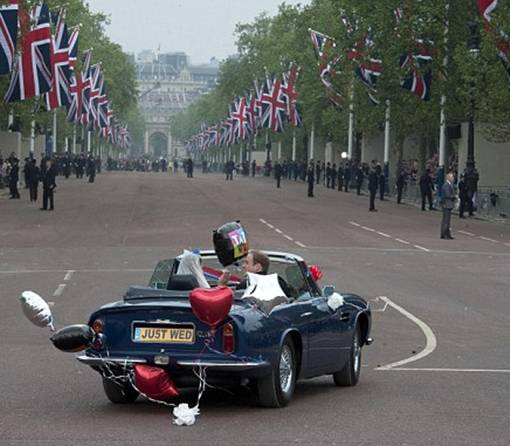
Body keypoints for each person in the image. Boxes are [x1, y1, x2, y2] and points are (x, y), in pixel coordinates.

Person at [440, 172, 456, 240]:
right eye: (452, 177)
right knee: (446, 220)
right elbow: (447, 195)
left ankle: (447, 233)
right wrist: (454, 196)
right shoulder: (446, 185)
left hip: (448, 204)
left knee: (447, 220)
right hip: (447, 204)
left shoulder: (449, 185)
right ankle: (445, 234)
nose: (453, 178)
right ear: (449, 178)